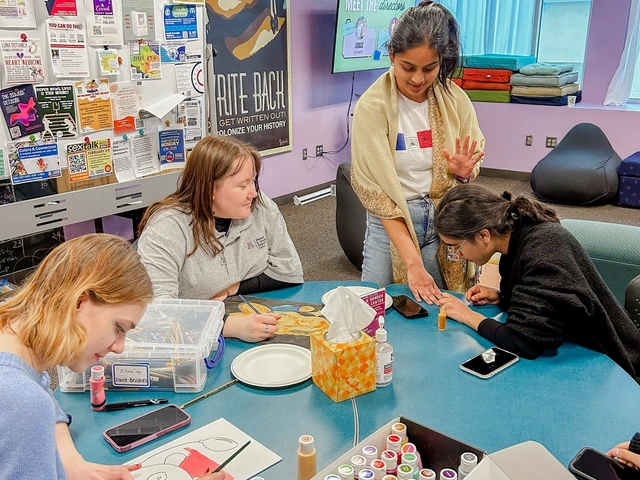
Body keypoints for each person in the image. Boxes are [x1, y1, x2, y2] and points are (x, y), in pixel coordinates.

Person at [350, 0, 485, 304]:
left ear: (442, 61)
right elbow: (379, 196)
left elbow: (470, 164)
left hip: (443, 217)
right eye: (407, 67)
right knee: (372, 307)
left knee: (444, 305)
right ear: (392, 56)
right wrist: (413, 263)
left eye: (429, 69)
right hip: (392, 222)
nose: (417, 79)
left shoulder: (455, 99)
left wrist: (464, 174)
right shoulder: (372, 108)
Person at [434, 184, 640, 380]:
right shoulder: (517, 235)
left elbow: (523, 342)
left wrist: (467, 315)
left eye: (455, 246)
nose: (457, 254)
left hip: (609, 363)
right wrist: (503, 296)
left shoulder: (542, 250)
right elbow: (551, 298)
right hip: (574, 348)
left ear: (483, 235)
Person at [0, 234, 155, 480]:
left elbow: (43, 395)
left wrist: (71, 463)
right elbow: (30, 403)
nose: (119, 347)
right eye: (119, 328)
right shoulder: (22, 400)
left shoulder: (12, 337)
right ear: (80, 301)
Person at [137, 135, 304, 343]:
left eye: (253, 181)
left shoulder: (262, 207)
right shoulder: (167, 228)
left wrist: (233, 288)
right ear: (209, 190)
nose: (253, 192)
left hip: (245, 313)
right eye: (242, 186)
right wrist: (227, 325)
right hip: (190, 340)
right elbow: (158, 311)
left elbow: (290, 272)